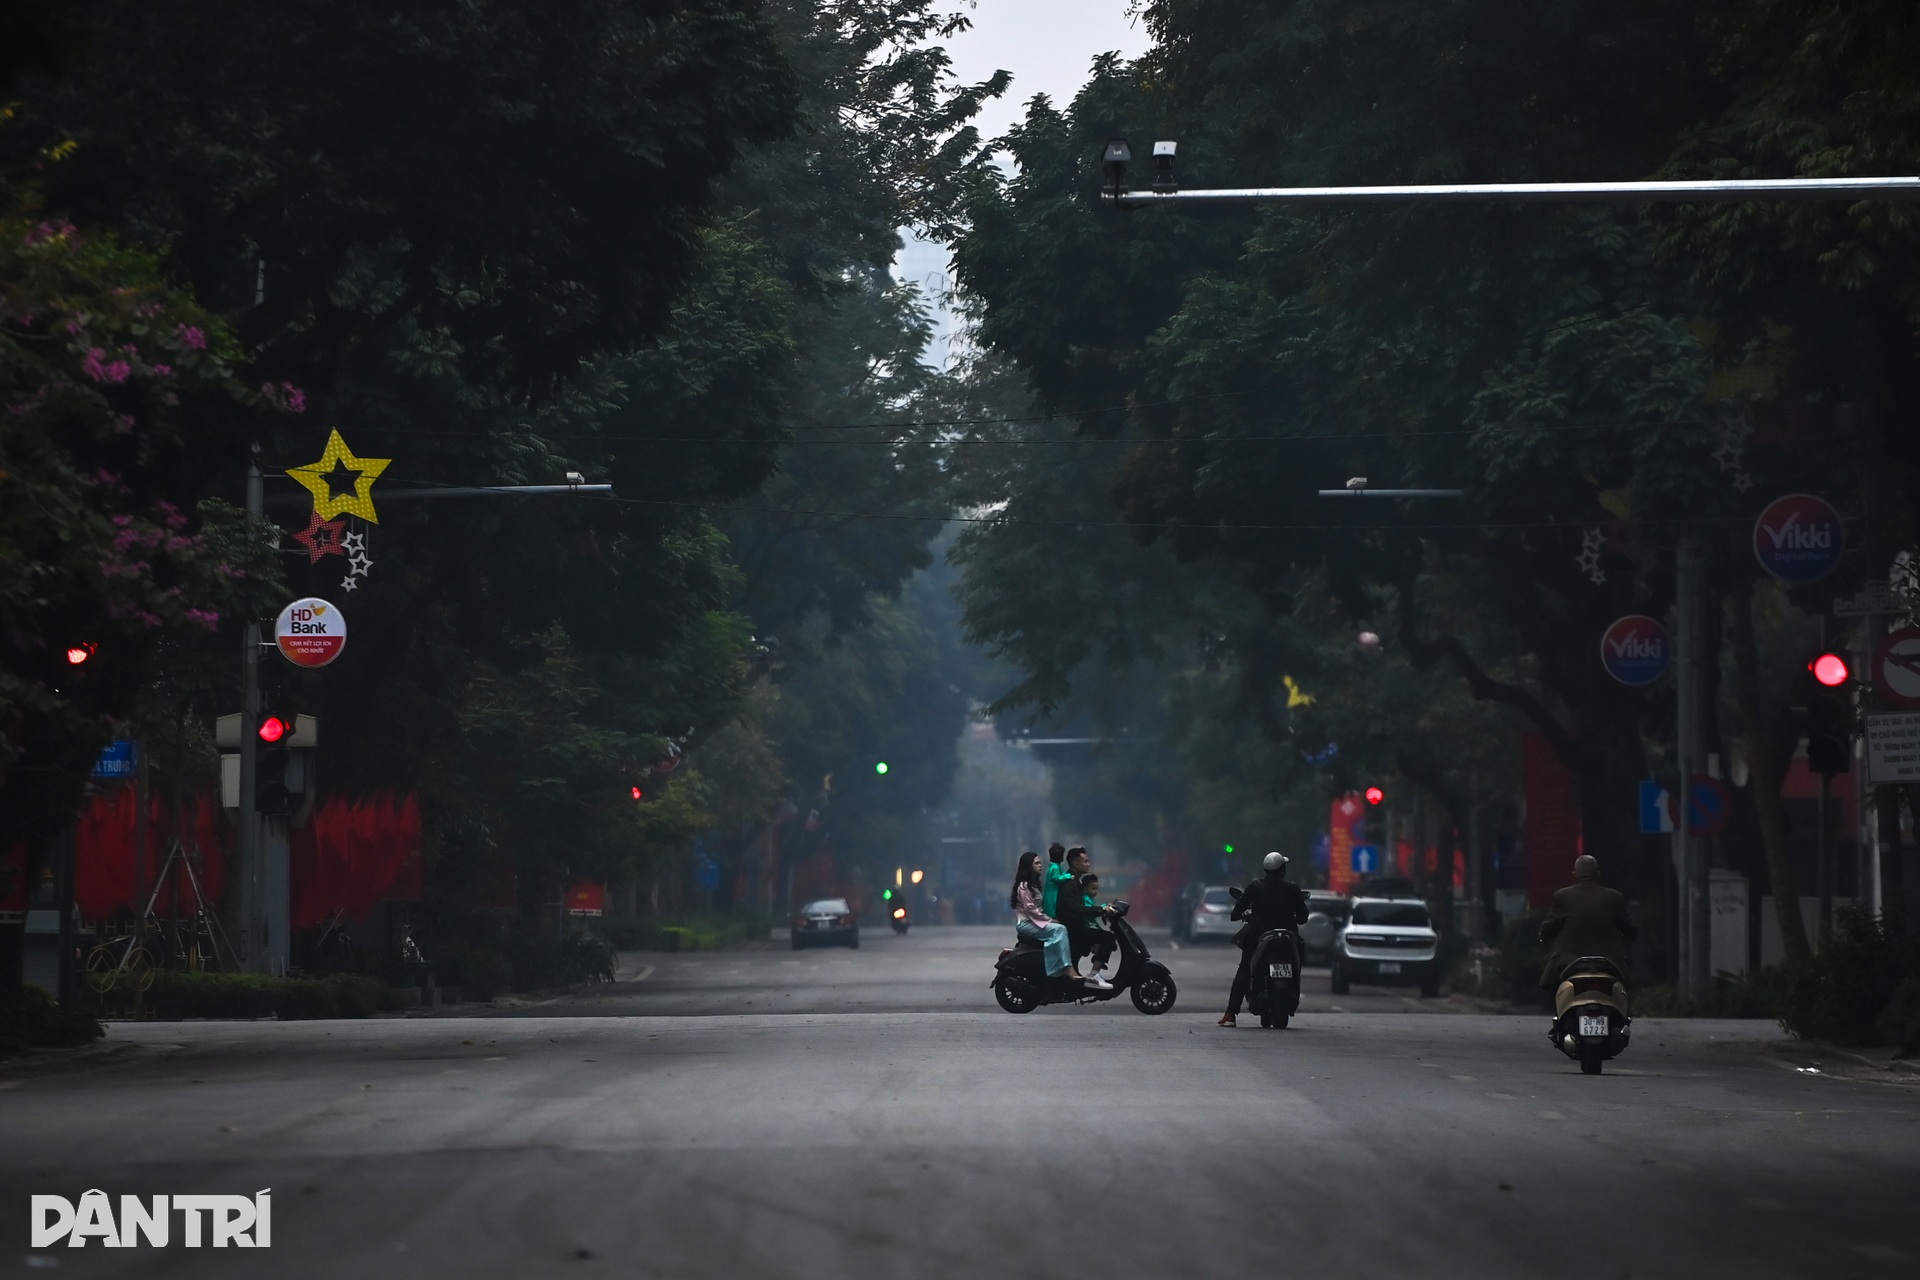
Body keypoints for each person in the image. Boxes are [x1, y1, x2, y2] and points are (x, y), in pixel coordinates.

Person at [1219, 852, 1310, 1027]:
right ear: (1282, 870)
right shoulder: (1292, 889)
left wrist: (1239, 914)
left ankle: (1231, 1013)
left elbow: (1237, 912)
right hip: (1288, 936)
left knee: (1245, 969)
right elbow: (1303, 916)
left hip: (1259, 935)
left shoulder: (1255, 887)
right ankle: (1294, 982)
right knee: (1301, 948)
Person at [1537, 854, 1636, 994]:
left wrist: (1544, 935)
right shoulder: (1614, 897)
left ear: (1574, 875)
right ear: (1598, 874)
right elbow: (1631, 929)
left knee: (1554, 987)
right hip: (1610, 963)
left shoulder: (1563, 896)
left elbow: (1547, 928)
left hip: (1568, 963)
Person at [1010, 851, 1080, 981]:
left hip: (1034, 921)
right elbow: (1030, 909)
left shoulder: (1034, 884)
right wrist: (1049, 920)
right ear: (1028, 866)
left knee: (1062, 928)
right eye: (1036, 863)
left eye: (1040, 863)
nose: (1040, 866)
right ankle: (1064, 968)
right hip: (1026, 924)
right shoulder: (1024, 886)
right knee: (1059, 929)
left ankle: (1062, 967)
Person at [1054, 849, 1115, 989]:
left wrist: (1102, 908)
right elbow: (1074, 907)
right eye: (1085, 861)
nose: (1088, 864)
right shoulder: (1069, 882)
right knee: (1108, 938)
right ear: (1076, 863)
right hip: (1073, 928)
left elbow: (1084, 904)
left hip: (1076, 926)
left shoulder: (1076, 882)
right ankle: (1094, 975)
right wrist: (1099, 910)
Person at [1041, 842, 1074, 916]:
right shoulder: (1055, 867)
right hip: (1052, 893)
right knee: (1052, 908)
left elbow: (1061, 874)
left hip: (1051, 892)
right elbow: (1057, 878)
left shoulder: (1053, 866)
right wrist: (1068, 877)